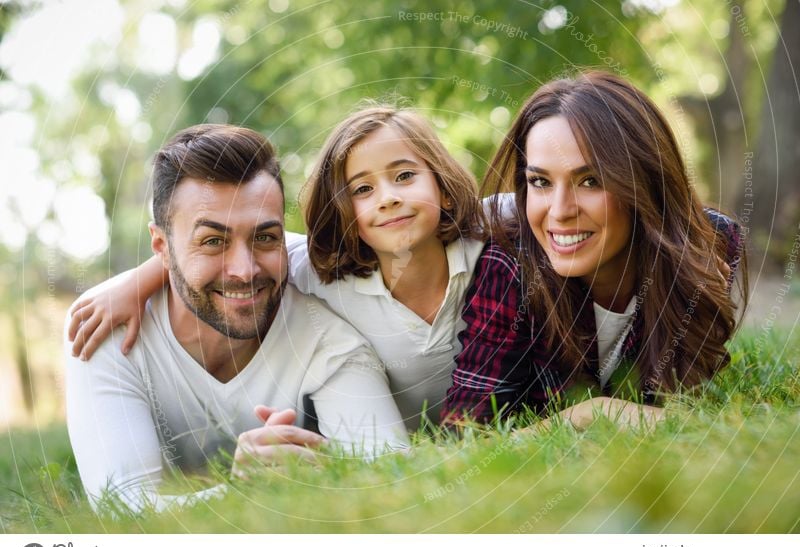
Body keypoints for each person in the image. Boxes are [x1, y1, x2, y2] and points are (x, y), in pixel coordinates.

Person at [68, 106, 487, 430]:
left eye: (405, 175)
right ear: (343, 213)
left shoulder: (492, 241)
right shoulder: (317, 272)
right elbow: (229, 252)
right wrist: (136, 284)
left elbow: (540, 217)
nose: (388, 198)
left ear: (444, 188)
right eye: (362, 188)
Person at [64, 124, 408, 514]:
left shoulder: (328, 336)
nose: (244, 271)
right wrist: (245, 487)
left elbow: (391, 470)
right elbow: (122, 509)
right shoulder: (102, 326)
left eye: (264, 238)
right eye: (213, 241)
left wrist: (316, 470)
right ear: (161, 246)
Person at [442, 70, 747, 427]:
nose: (559, 211)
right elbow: (468, 434)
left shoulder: (705, 245)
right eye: (540, 181)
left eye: (591, 181)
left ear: (644, 182)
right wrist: (591, 412)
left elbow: (679, 406)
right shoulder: (511, 263)